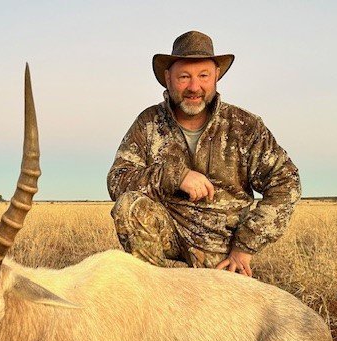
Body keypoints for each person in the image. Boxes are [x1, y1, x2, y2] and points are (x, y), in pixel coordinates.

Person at [107, 30, 301, 277]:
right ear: (168, 78)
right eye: (184, 77)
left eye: (203, 76)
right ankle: (154, 289)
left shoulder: (245, 125)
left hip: (220, 242)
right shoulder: (148, 122)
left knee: (227, 308)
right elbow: (117, 180)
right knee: (129, 206)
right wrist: (175, 176)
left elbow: (286, 182)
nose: (194, 87)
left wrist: (244, 247)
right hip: (168, 229)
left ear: (216, 76)